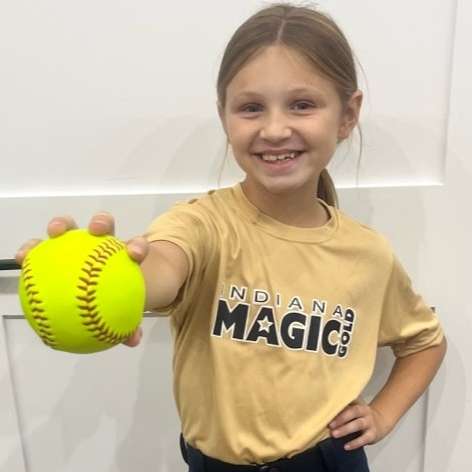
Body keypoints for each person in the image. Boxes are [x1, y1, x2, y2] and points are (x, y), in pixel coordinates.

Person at [16, 3, 447, 471]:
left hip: (326, 462)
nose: (275, 129)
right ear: (224, 116)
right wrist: (115, 274)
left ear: (347, 115)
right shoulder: (203, 224)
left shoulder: (367, 254)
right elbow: (164, 266)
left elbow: (425, 342)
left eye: (302, 104)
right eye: (251, 108)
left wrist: (382, 415)